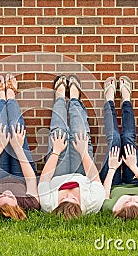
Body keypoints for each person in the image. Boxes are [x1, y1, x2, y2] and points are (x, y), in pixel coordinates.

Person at [38, 75, 105, 219]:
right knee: (80, 135)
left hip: (57, 173)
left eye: (64, 198)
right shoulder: (93, 203)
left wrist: (56, 152)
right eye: (73, 198)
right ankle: (74, 98)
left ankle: (60, 96)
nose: (69, 194)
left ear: (57, 204)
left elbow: (44, 180)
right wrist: (83, 152)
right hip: (82, 171)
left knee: (58, 134)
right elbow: (95, 179)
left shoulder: (48, 203)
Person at [0, 74, 40, 220]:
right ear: (17, 205)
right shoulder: (30, 203)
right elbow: (31, 180)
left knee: (0, 131)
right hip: (21, 175)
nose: (6, 193)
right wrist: (18, 148)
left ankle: (0, 98)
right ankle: (11, 95)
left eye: (1, 196)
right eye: (10, 197)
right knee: (16, 130)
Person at [100, 76, 138, 220]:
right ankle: (126, 99)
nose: (132, 199)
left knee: (114, 139)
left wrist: (112, 168)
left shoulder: (109, 207)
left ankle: (109, 100)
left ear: (118, 209)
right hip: (135, 180)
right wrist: (133, 167)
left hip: (112, 182)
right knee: (127, 139)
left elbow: (105, 193)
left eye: (127, 202)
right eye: (136, 203)